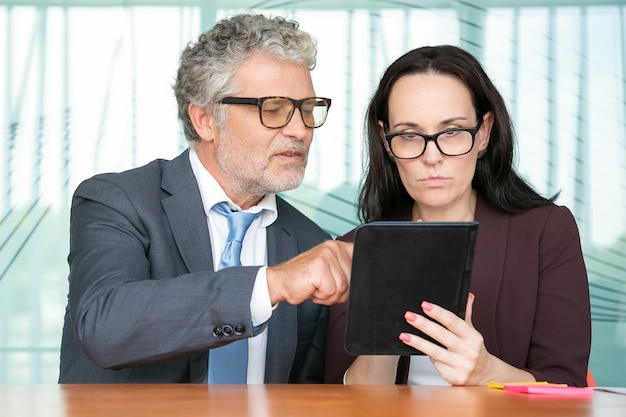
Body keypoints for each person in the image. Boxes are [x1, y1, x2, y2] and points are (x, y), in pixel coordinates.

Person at [58, 13, 353, 384]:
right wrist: (270, 284)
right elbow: (105, 324)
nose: (299, 130)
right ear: (205, 120)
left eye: (307, 109)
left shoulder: (310, 243)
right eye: (274, 109)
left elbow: (304, 392)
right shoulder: (117, 201)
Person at [325, 45, 591, 387]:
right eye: (409, 135)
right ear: (386, 141)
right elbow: (337, 396)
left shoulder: (545, 233)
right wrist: (386, 307)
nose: (432, 156)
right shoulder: (354, 248)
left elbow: (568, 387)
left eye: (451, 132)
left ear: (483, 132)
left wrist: (486, 372)